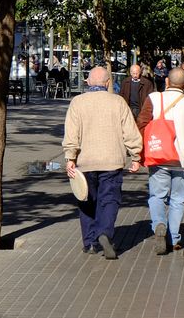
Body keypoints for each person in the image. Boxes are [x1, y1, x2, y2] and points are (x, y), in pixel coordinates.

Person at [62, 66, 142, 259]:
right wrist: (136, 155)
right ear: (108, 83)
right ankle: (105, 233)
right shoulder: (118, 102)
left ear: (88, 82)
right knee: (109, 200)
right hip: (111, 161)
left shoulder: (77, 102)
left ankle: (90, 243)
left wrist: (70, 157)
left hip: (85, 162)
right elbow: (130, 132)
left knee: (86, 200)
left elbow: (71, 134)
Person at [137, 66, 184, 254]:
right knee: (178, 200)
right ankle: (174, 237)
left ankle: (159, 224)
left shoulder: (154, 98)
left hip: (159, 156)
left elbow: (141, 126)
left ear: (167, 82)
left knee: (157, 196)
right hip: (183, 159)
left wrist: (138, 155)